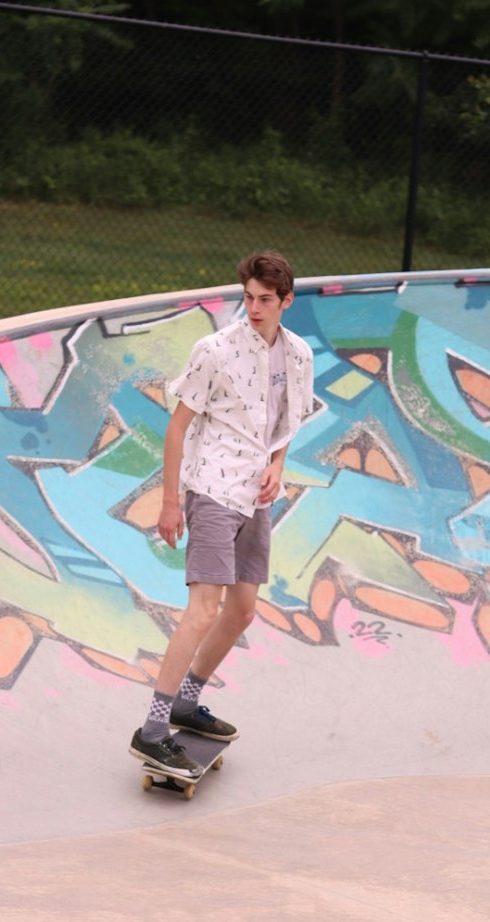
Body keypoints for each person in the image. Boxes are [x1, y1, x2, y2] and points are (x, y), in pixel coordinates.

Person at [129, 249, 316, 777]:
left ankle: (188, 702)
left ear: (286, 301)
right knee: (204, 611)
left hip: (255, 496)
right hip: (211, 489)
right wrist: (171, 501)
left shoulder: (299, 356)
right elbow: (177, 428)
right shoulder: (215, 351)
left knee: (242, 611)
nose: (254, 309)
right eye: (248, 299)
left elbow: (288, 421)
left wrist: (279, 464)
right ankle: (154, 729)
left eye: (264, 300)